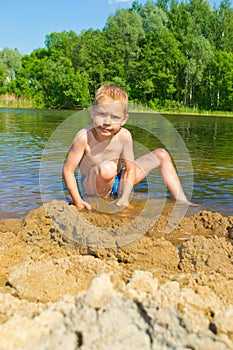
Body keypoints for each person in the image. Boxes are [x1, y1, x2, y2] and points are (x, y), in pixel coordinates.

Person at [63, 84, 194, 211]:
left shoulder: (124, 135)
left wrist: (124, 197)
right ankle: (101, 199)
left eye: (115, 117)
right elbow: (68, 171)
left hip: (117, 180)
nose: (107, 122)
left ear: (124, 119)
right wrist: (77, 200)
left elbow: (130, 169)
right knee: (108, 168)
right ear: (92, 112)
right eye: (102, 114)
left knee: (161, 154)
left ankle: (182, 201)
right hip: (92, 184)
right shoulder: (84, 137)